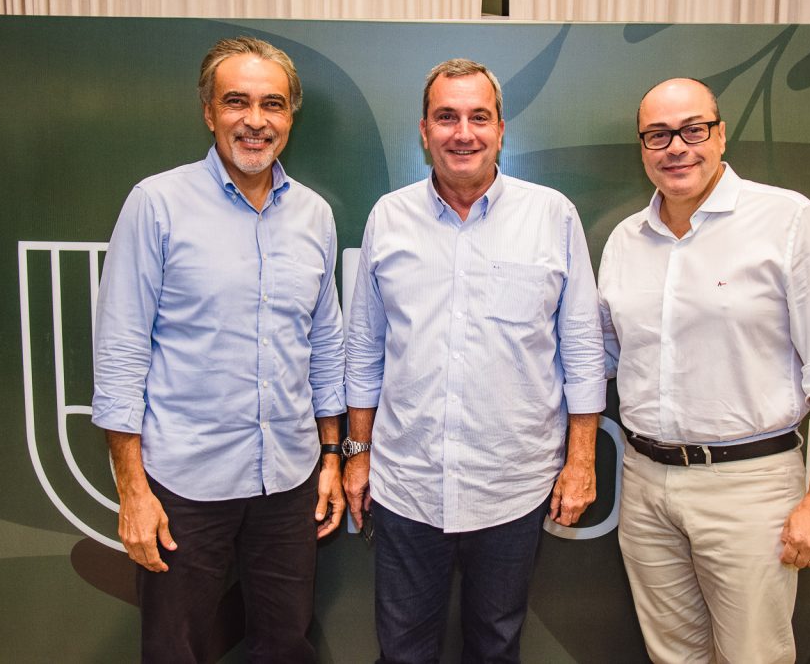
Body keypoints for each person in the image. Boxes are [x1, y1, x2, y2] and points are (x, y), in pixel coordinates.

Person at [598, 77, 810, 663]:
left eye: (693, 130)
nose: (677, 147)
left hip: (750, 487)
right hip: (645, 484)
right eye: (657, 135)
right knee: (672, 655)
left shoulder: (788, 220)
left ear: (720, 135)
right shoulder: (625, 240)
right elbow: (602, 358)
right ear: (642, 148)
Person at [92, 36, 345, 663]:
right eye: (237, 102)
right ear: (209, 112)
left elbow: (324, 344)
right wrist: (133, 490)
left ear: (290, 118)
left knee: (285, 644)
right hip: (183, 484)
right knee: (176, 650)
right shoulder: (157, 204)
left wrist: (331, 456)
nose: (255, 120)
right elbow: (120, 350)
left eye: (272, 104)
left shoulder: (314, 215)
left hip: (289, 479)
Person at [343, 58, 605, 663]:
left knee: (496, 647)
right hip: (407, 484)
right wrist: (358, 454)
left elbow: (582, 349)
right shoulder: (389, 216)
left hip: (512, 485)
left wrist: (581, 461)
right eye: (446, 117)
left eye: (478, 117)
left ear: (501, 129)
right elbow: (365, 349)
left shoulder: (552, 215)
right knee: (403, 652)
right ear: (423, 131)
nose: (463, 133)